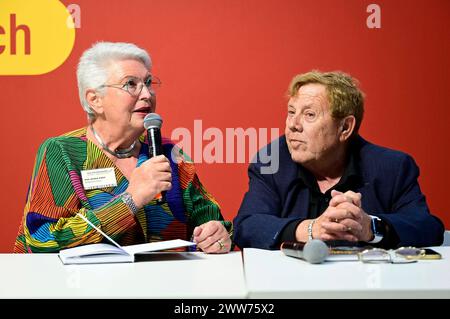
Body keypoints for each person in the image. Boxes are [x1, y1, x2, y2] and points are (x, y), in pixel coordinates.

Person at [14, 42, 232, 254]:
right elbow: (41, 238)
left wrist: (217, 235)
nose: (146, 94)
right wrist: (131, 199)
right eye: (131, 84)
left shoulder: (169, 153)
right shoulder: (63, 152)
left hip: (164, 287)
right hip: (86, 289)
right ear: (95, 100)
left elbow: (212, 221)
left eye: (148, 83)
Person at [233, 71, 444, 250]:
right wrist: (310, 229)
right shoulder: (272, 161)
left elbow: (427, 228)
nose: (293, 125)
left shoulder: (392, 167)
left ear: (345, 128)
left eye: (309, 115)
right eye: (291, 112)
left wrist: (370, 228)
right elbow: (246, 225)